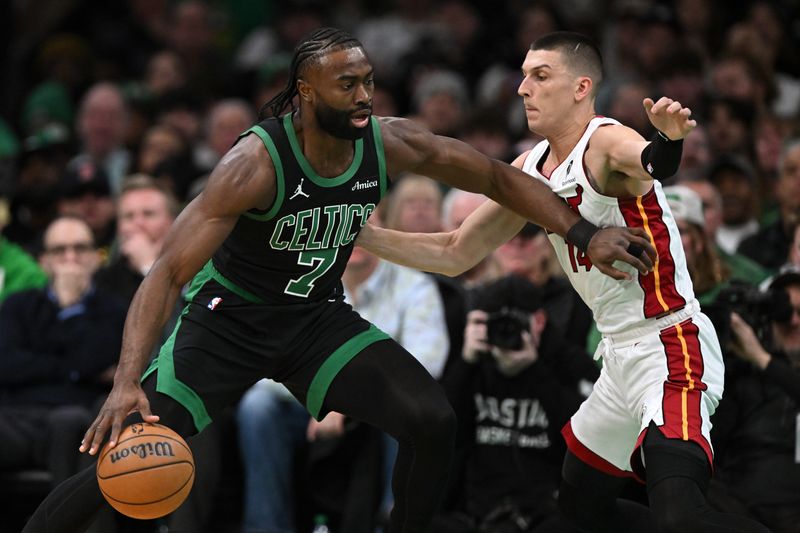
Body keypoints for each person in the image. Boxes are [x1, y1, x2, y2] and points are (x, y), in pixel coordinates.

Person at [22, 27, 653, 533]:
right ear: (304, 93)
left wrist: (581, 233)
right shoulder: (253, 165)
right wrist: (127, 379)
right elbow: (166, 272)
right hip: (227, 322)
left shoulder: (387, 144)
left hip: (315, 319)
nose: (362, 96)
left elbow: (497, 177)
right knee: (121, 460)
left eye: (368, 83)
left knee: (431, 419)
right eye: (346, 84)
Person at [358, 31, 771, 532]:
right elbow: (453, 252)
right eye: (523, 75)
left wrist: (668, 139)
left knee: (679, 515)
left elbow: (653, 161)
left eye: (540, 75)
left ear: (581, 87)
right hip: (617, 359)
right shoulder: (529, 169)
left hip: (671, 343)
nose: (522, 88)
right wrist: (361, 235)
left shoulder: (603, 140)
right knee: (578, 508)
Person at [237, 240, 449, 533]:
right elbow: (264, 364)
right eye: (349, 226)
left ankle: (392, 525)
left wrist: (344, 400)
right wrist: (323, 398)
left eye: (365, 222)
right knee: (257, 407)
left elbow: (427, 361)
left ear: (382, 227)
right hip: (311, 406)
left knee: (411, 411)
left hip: (379, 411)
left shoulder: (414, 286)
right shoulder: (300, 280)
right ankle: (266, 528)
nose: (356, 235)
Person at [431, 275, 598, 533]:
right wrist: (465, 363)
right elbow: (442, 434)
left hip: (548, 512)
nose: (505, 331)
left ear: (539, 321)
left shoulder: (569, 364)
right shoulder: (473, 364)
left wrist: (535, 373)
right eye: (495, 323)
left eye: (514, 323)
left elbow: (587, 439)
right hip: (476, 514)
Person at [0, 216, 126, 487]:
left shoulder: (114, 309)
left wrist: (69, 309)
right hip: (15, 417)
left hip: (74, 416)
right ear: (44, 260)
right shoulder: (18, 305)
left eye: (80, 248)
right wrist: (72, 369)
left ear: (95, 256)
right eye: (59, 250)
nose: (70, 258)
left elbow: (93, 358)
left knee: (71, 422)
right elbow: (6, 364)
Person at [709, 266, 800, 532]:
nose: (794, 321)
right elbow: (711, 444)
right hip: (739, 510)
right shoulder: (742, 373)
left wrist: (762, 358)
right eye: (784, 314)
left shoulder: (761, 362)